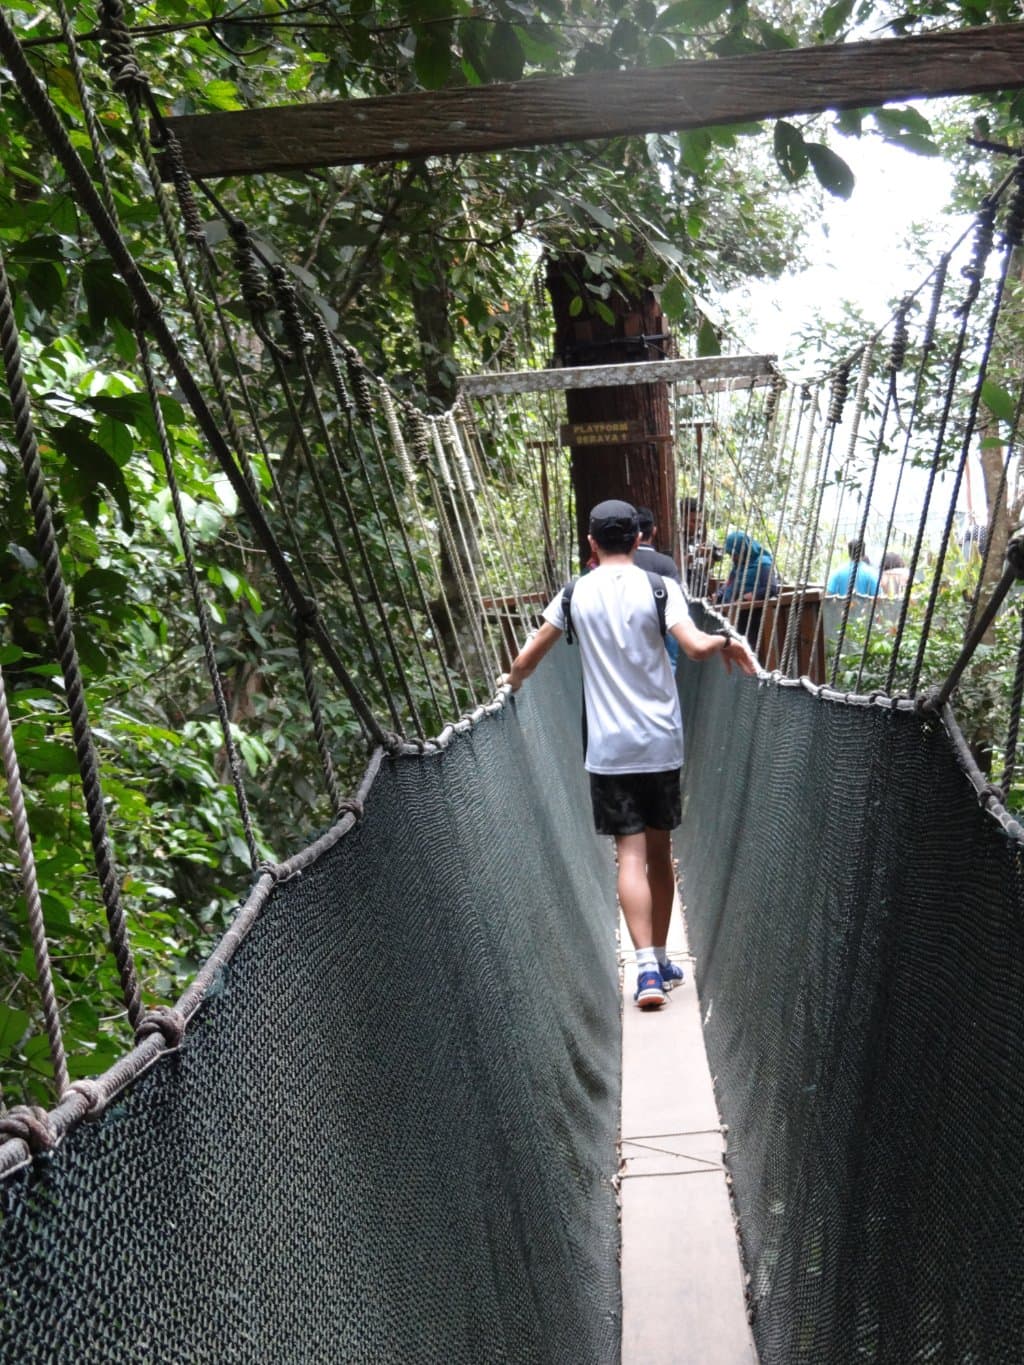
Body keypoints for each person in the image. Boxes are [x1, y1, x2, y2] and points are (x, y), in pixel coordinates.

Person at [504, 499, 757, 1011]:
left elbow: (528, 657)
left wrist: (511, 682)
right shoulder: (661, 587)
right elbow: (693, 647)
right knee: (661, 853)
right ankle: (662, 960)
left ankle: (643, 969)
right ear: (639, 540)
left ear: (591, 544)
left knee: (630, 855)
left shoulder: (574, 593)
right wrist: (725, 641)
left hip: (609, 748)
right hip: (660, 741)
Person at [635, 505, 682, 672]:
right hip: (665, 623)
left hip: (634, 627)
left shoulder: (622, 564)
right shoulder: (665, 562)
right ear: (653, 531)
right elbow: (677, 598)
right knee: (671, 663)